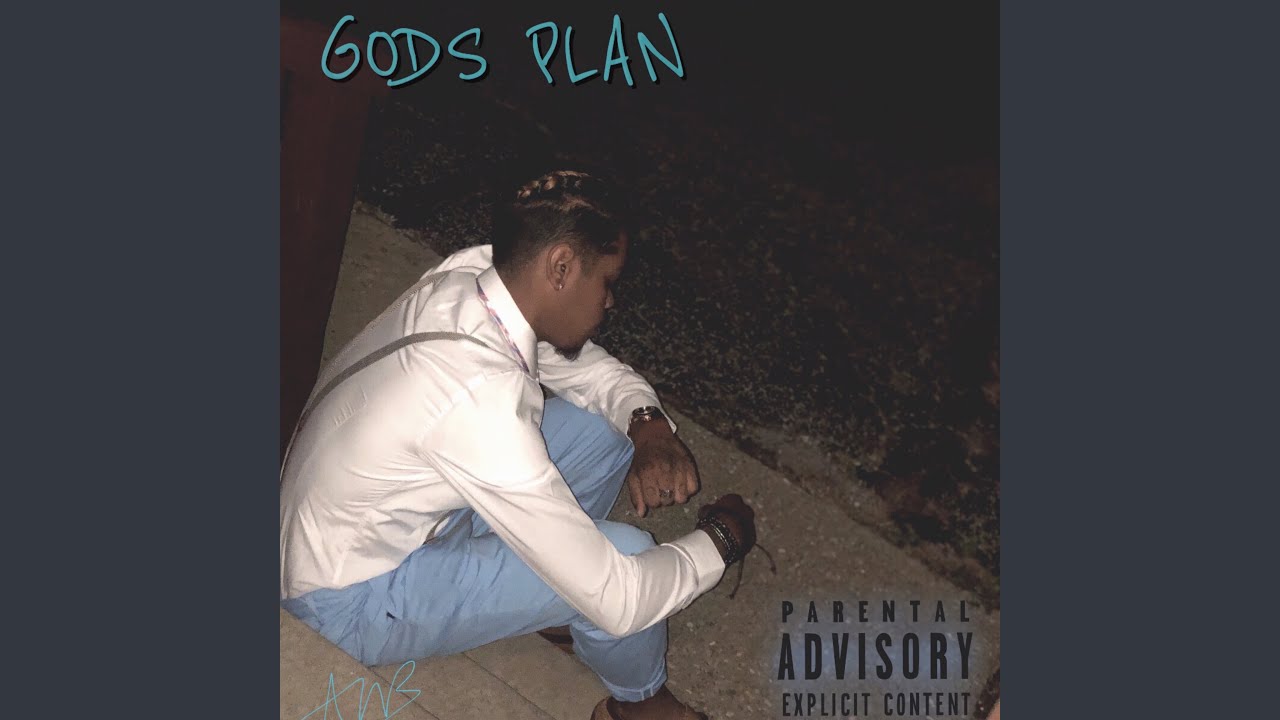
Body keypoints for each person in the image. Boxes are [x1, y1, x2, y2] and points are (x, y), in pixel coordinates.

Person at [280, 170, 759, 720]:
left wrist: (648, 425)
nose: (610, 301)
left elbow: (588, 374)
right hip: (347, 601)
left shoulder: (472, 277)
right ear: (561, 267)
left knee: (608, 427)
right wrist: (722, 539)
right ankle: (639, 706)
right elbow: (622, 599)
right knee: (629, 554)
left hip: (378, 521)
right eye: (607, 281)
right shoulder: (479, 402)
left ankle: (555, 593)